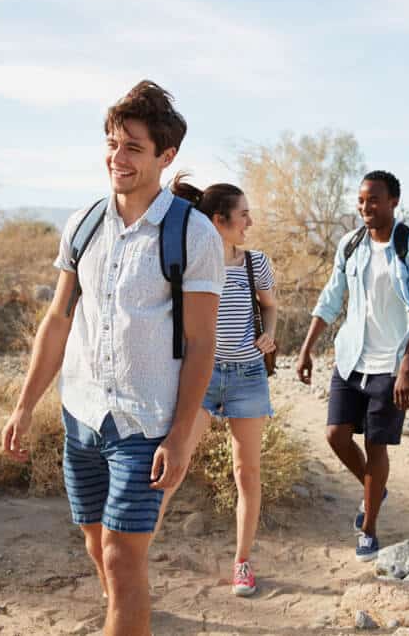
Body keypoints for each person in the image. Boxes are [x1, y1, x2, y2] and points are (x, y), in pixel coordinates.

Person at [1, 81, 224, 636]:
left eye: (132, 147)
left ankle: (127, 613)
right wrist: (25, 405)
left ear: (165, 156)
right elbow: (57, 319)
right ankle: (129, 613)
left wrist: (178, 437)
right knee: (97, 544)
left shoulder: (191, 234)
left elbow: (202, 343)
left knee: (125, 558)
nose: (116, 158)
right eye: (111, 142)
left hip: (145, 423)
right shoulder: (84, 223)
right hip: (82, 413)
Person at [296, 170, 409, 563]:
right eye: (360, 200)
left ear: (393, 202)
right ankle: (377, 489)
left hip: (390, 365)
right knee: (336, 435)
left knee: (376, 447)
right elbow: (330, 298)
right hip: (350, 357)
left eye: (374, 200)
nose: (365, 207)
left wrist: (406, 368)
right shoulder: (351, 244)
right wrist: (307, 348)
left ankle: (369, 528)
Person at [157, 173, 277, 596]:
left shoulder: (255, 262)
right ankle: (135, 554)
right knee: (175, 463)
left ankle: (242, 563)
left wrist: (270, 334)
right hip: (201, 378)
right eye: (243, 215)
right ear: (218, 220)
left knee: (247, 472)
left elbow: (270, 306)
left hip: (247, 377)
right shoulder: (192, 260)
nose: (250, 223)